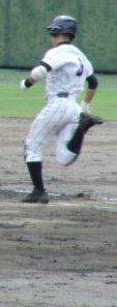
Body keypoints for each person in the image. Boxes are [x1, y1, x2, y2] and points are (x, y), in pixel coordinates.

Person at [19, 15, 104, 204]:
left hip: (58, 104)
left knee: (32, 147)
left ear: (56, 31)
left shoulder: (57, 52)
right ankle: (82, 128)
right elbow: (93, 82)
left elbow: (39, 72)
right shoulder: (80, 55)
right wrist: (85, 107)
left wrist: (27, 83)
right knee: (65, 157)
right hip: (73, 107)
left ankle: (39, 192)